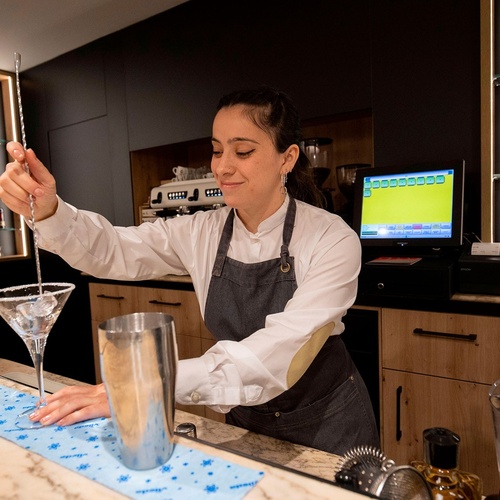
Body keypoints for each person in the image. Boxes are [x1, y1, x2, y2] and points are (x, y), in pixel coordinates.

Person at [0, 86, 379, 455]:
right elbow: (112, 250)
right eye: (216, 151)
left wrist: (149, 384)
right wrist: (50, 210)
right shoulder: (202, 230)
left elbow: (281, 351)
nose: (222, 167)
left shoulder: (331, 238)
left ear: (288, 157)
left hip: (330, 426)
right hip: (248, 422)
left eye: (243, 151)